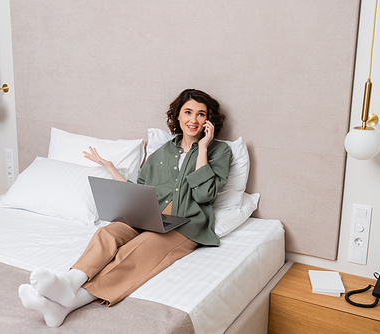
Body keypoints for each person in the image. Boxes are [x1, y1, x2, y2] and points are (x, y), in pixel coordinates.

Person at [18, 89, 232, 327]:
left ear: (208, 121)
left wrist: (202, 148)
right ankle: (69, 281)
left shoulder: (219, 151)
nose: (193, 120)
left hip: (186, 226)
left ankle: (68, 303)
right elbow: (140, 192)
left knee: (138, 249)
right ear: (178, 116)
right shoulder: (161, 153)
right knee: (108, 232)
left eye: (201, 114)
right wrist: (110, 169)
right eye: (188, 112)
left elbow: (204, 195)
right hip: (150, 217)